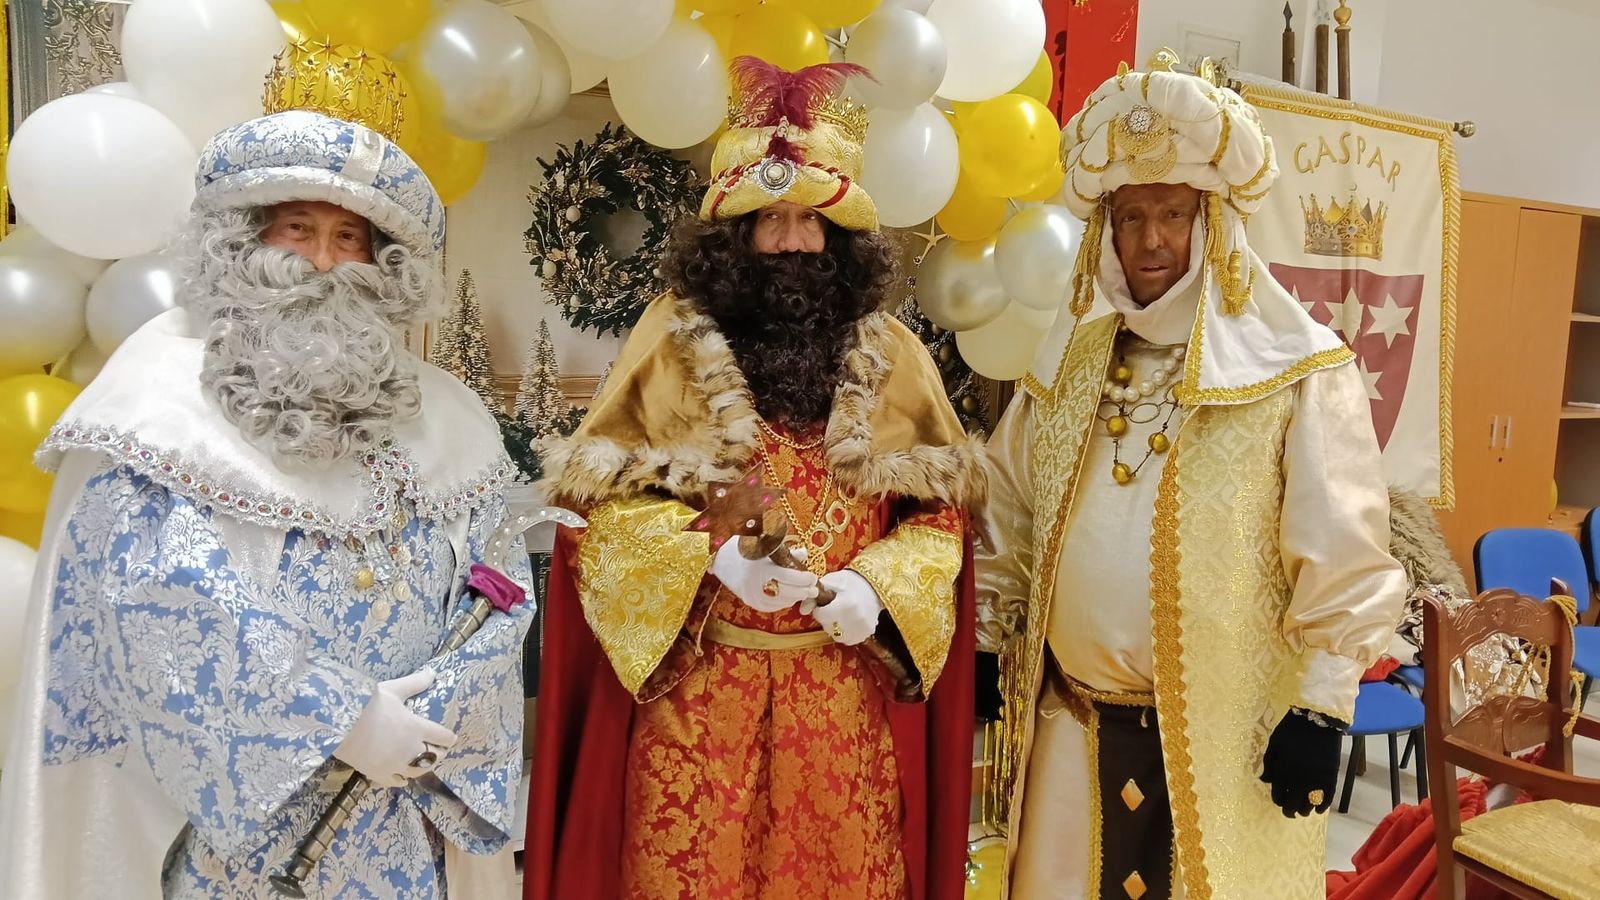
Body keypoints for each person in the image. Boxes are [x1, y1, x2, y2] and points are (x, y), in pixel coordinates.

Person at [0, 110, 533, 899]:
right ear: (244, 241)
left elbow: (503, 583)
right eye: (296, 228)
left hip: (404, 806)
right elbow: (153, 597)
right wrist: (344, 718)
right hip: (235, 835)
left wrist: (434, 718)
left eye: (349, 239)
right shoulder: (157, 397)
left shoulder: (447, 413)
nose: (323, 261)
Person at [524, 58, 983, 900]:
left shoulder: (897, 355)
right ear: (731, 238)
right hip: (696, 712)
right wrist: (708, 558)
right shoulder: (668, 343)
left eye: (810, 221)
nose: (791, 241)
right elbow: (598, 522)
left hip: (842, 714)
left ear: (842, 239)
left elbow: (941, 523)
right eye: (768, 219)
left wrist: (875, 588)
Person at [976, 54, 1408, 899]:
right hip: (1073, 730)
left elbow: (1345, 547)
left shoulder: (1296, 369)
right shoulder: (1068, 365)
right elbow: (1008, 511)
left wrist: (1322, 706)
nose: (1149, 242)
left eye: (1172, 214)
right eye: (1130, 216)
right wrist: (993, 642)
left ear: (1212, 221)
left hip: (1221, 745)